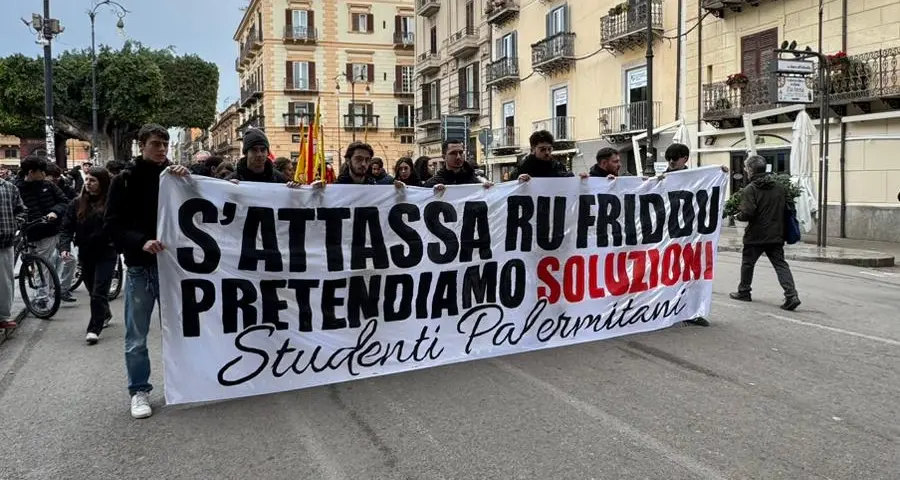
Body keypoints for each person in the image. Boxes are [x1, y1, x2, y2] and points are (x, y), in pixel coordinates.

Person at [105, 123, 190, 419]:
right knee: (137, 337)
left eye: (165, 144)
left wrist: (189, 180)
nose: (162, 149)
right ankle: (139, 390)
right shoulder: (124, 181)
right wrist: (140, 242)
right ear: (141, 145)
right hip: (141, 269)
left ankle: (186, 383)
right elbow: (112, 224)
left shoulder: (176, 176)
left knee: (182, 331)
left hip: (175, 270)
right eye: (155, 143)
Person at [728, 155, 801, 311]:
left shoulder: (751, 189)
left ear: (751, 170)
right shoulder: (780, 187)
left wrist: (737, 216)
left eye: (746, 168)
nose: (745, 170)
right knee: (780, 264)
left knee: (748, 263)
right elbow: (787, 208)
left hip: (756, 235)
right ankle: (791, 295)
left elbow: (748, 213)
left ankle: (744, 291)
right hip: (776, 233)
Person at [59, 167, 117, 345]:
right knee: (93, 290)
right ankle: (105, 313)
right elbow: (66, 227)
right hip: (86, 252)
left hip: (107, 252)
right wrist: (64, 247)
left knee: (99, 291)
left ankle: (93, 329)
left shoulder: (112, 202)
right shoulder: (77, 203)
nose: (88, 183)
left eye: (93, 180)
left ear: (102, 183)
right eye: (87, 180)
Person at [16, 156, 76, 304]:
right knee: (43, 266)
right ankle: (42, 297)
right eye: (41, 171)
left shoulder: (48, 185)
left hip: (57, 229)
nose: (44, 174)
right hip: (36, 232)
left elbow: (64, 202)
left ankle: (61, 289)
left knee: (70, 260)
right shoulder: (16, 188)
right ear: (31, 172)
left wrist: (55, 212)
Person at [0, 174, 26, 329]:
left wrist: (15, 224)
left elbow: (21, 210)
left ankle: (2, 317)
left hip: (5, 242)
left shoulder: (10, 188)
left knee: (5, 282)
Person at [423, 140, 492, 191]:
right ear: (444, 157)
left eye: (461, 152)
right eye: (453, 153)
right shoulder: (432, 184)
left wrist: (488, 189)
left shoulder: (475, 181)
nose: (458, 157)